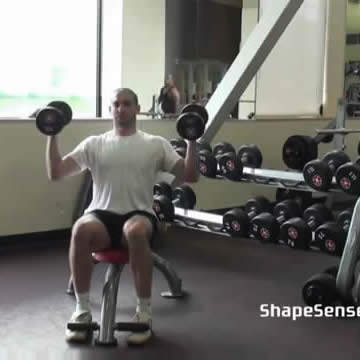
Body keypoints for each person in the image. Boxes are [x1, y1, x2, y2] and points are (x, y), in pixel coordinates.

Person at [46, 88, 199, 345]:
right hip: (101, 217)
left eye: (127, 104)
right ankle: (82, 311)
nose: (121, 108)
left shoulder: (154, 144)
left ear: (137, 108)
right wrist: (52, 134)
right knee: (80, 230)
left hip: (139, 214)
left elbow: (191, 175)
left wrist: (192, 141)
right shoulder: (95, 143)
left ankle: (144, 312)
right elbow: (56, 172)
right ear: (110, 109)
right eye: (116, 104)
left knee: (134, 231)